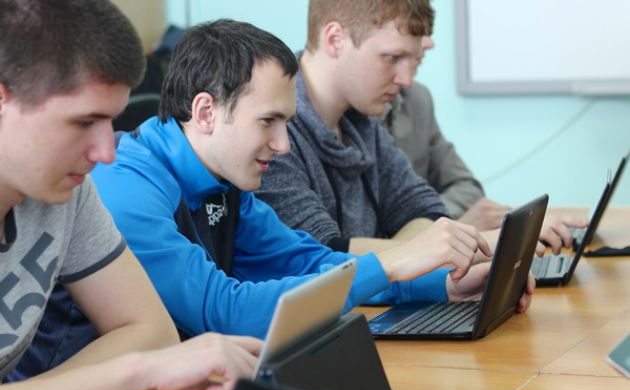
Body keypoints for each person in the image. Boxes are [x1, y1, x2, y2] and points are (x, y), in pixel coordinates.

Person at [89, 18, 522, 343]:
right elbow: (223, 311)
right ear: (205, 112)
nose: (283, 145)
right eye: (268, 121)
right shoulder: (126, 187)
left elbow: (311, 264)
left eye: (286, 122)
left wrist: (444, 285)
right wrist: (392, 262)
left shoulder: (224, 180)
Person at [0, 1, 261, 390]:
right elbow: (150, 357)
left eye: (110, 121)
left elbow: (152, 332)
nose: (106, 152)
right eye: (84, 122)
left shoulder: (68, 193)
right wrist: (139, 373)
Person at [256, 0, 586, 256]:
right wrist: (471, 244)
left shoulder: (360, 124)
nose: (406, 80)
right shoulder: (272, 134)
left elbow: (424, 209)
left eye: (412, 60)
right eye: (392, 57)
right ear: (335, 39)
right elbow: (323, 256)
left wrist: (407, 255)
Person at [380, 79, 511, 231]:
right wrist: (438, 225)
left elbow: (467, 187)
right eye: (391, 62)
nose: (406, 79)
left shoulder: (417, 98)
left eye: (416, 64)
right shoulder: (360, 114)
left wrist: (433, 219)